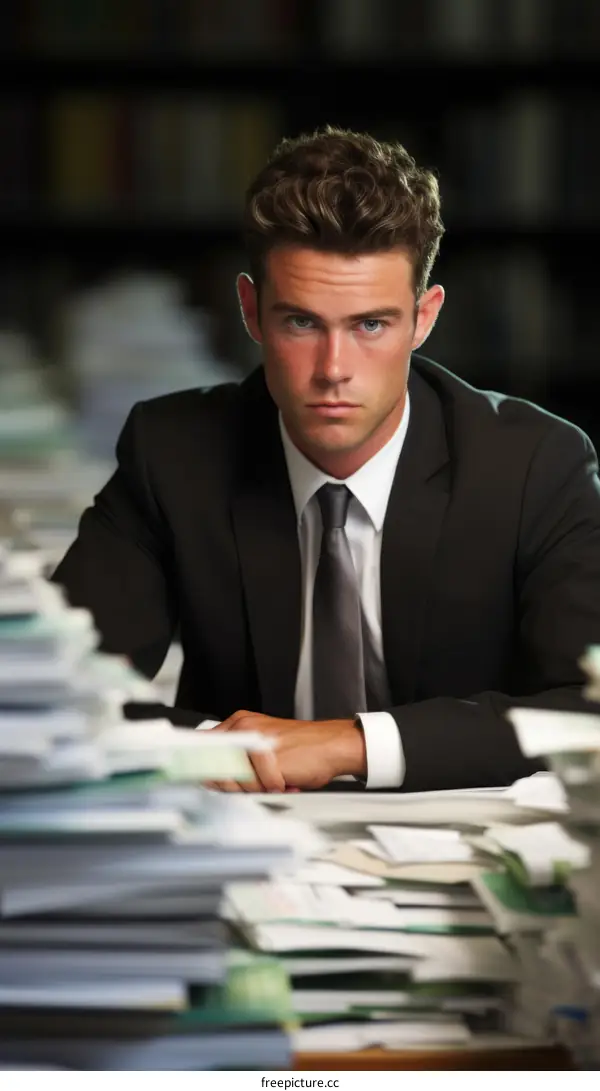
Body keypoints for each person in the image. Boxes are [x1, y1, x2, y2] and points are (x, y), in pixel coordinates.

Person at [52, 126, 600, 794]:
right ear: (251, 311)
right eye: (302, 323)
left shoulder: (534, 466)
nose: (333, 370)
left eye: (371, 324)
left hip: (453, 846)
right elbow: (58, 696)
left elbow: (587, 711)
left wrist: (351, 743)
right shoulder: (172, 452)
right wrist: (223, 750)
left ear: (423, 318)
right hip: (242, 834)